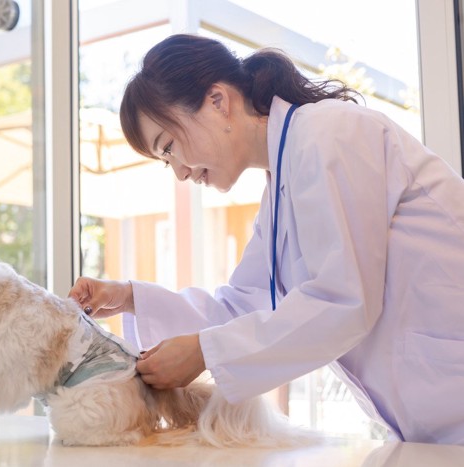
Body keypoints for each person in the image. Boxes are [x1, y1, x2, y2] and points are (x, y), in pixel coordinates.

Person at [68, 34, 464, 445]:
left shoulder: (328, 134)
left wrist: (206, 351)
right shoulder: (279, 194)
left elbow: (345, 302)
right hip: (431, 424)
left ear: (218, 101)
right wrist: (129, 296)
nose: (181, 173)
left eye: (169, 148)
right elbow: (239, 308)